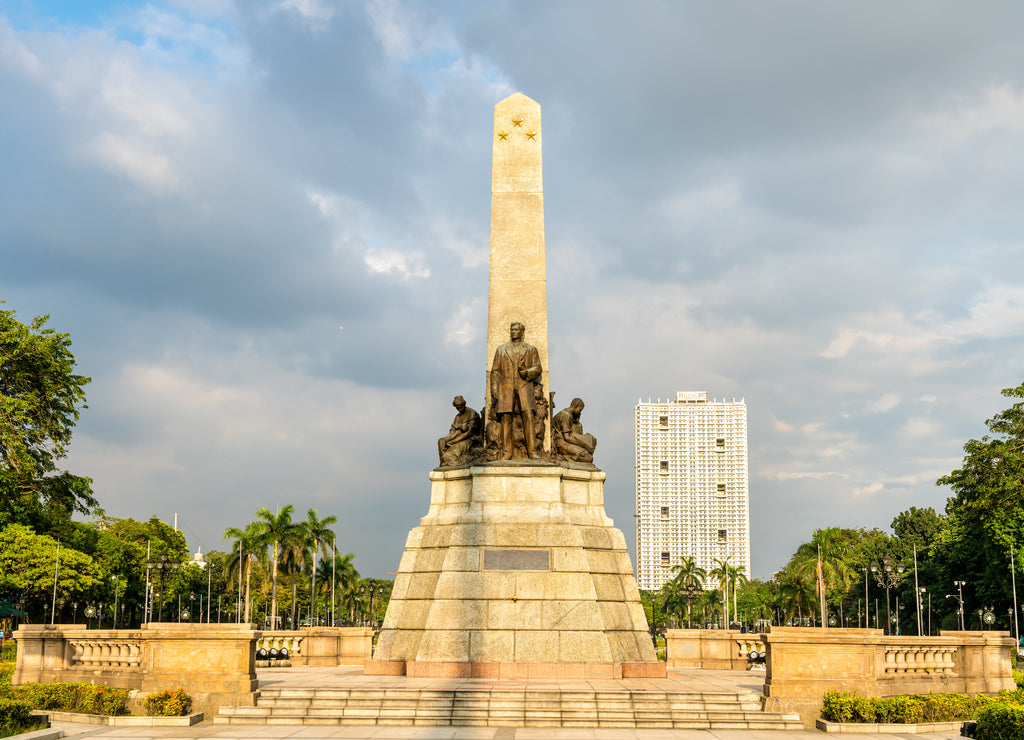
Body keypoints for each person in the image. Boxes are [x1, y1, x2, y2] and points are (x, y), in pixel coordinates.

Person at [489, 322, 542, 460]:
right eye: (512, 329)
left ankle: (532, 451)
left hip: (524, 385)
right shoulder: (501, 350)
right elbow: (495, 371)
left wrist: (527, 372)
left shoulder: (531, 349)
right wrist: (494, 389)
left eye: (516, 329)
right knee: (506, 418)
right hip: (506, 387)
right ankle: (507, 452)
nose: (513, 331)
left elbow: (538, 368)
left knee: (529, 416)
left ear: (522, 332)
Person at [437, 395, 481, 467]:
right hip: (458, 437)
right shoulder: (457, 416)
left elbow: (468, 432)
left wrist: (453, 441)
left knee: (448, 455)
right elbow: (452, 431)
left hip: (471, 439)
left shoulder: (471, 413)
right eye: (457, 408)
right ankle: (443, 463)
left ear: (464, 404)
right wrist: (446, 439)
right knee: (441, 441)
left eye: (460, 407)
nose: (459, 409)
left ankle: (450, 462)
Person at [552, 397, 597, 463]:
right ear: (576, 406)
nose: (580, 412)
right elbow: (567, 437)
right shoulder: (567, 416)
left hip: (561, 442)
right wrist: (583, 444)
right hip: (561, 444)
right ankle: (563, 458)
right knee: (588, 457)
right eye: (580, 410)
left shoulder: (564, 413)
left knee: (588, 456)